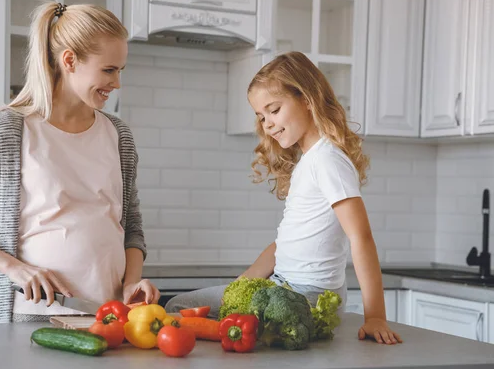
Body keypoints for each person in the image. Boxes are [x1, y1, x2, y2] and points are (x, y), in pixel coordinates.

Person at [0, 2, 159, 323]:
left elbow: (132, 227)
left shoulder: (118, 135)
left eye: (120, 70)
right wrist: (15, 269)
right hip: (35, 316)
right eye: (108, 70)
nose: (117, 83)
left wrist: (131, 282)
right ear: (69, 60)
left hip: (109, 317)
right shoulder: (7, 131)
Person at [165, 52, 402, 345]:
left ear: (307, 98)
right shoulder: (310, 160)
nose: (267, 123)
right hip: (284, 285)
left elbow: (361, 237)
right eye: (261, 116)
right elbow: (286, 242)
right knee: (180, 309)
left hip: (307, 294)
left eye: (274, 110)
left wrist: (375, 316)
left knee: (180, 313)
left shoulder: (328, 160)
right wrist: (246, 281)